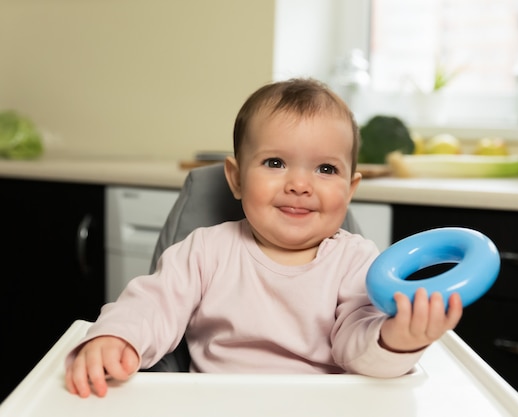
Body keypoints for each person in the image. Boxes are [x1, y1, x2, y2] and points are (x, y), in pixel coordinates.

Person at [65, 78, 463, 398]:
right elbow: (152, 304)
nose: (300, 184)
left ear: (351, 188)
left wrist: (397, 341)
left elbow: (359, 350)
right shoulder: (206, 251)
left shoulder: (355, 261)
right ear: (236, 178)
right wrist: (116, 337)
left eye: (325, 169)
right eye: (275, 163)